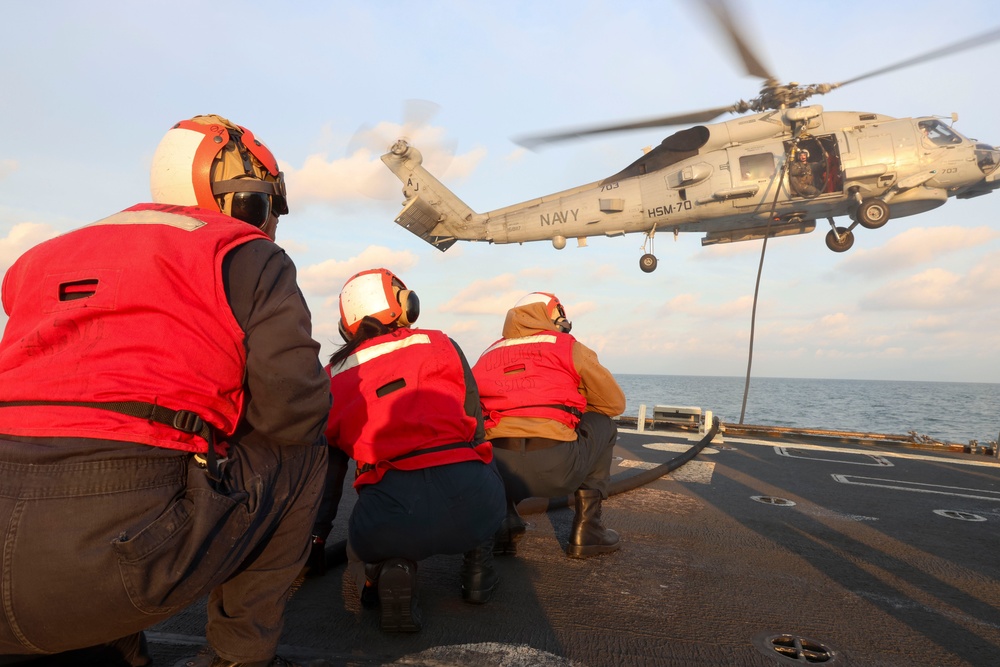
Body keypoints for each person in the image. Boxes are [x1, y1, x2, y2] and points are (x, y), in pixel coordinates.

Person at [0, 115, 332, 667]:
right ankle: (239, 655)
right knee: (302, 454)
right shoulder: (245, 254)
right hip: (115, 567)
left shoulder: (37, 258)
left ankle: (108, 644)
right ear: (242, 197)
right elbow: (294, 410)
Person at [323, 268, 505, 632]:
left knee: (362, 545)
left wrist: (316, 538)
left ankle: (387, 571)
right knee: (479, 465)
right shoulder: (441, 343)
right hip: (476, 504)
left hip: (392, 516)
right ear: (406, 306)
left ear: (346, 326)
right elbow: (477, 425)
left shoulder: (333, 375)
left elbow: (328, 474)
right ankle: (478, 571)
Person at [472, 292, 626, 559]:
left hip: (500, 473)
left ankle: (504, 522)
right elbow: (614, 404)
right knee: (604, 424)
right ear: (554, 318)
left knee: (491, 434)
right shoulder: (567, 346)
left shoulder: (487, 355)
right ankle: (588, 530)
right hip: (558, 470)